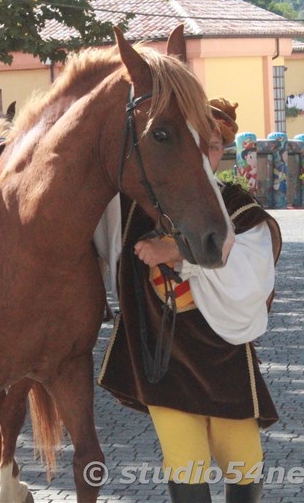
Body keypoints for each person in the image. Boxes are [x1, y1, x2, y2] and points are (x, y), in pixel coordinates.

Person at [99, 98, 282, 503]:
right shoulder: (133, 206)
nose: (205, 154)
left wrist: (179, 253)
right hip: (164, 360)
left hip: (223, 357)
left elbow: (253, 279)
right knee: (186, 463)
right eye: (197, 142)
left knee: (245, 462)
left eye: (214, 145)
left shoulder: (240, 208)